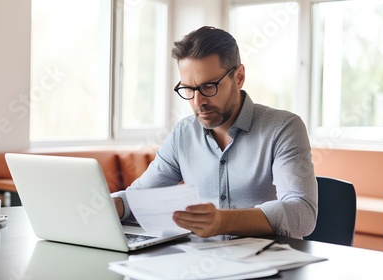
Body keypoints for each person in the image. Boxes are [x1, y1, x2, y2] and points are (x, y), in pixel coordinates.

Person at [111, 26, 317, 239]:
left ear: (238, 77)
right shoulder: (183, 133)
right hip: (200, 263)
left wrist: (223, 221)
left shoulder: (283, 127)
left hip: (268, 263)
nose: (198, 102)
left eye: (208, 87)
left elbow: (302, 214)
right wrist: (109, 206)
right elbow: (137, 199)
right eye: (188, 89)